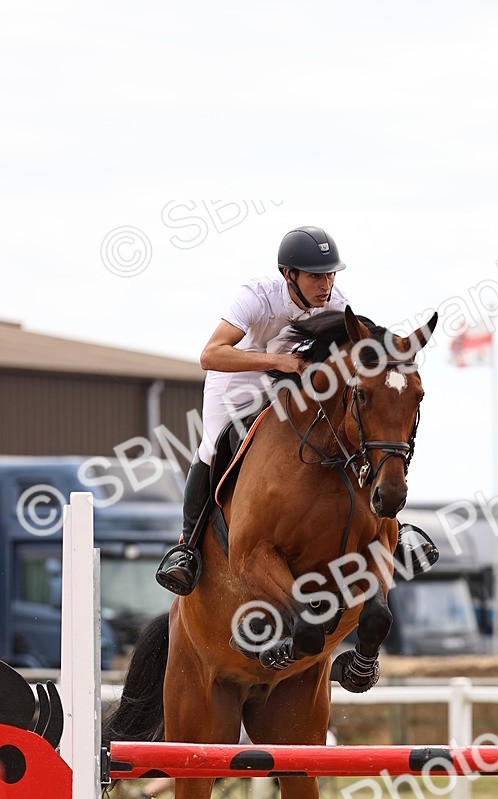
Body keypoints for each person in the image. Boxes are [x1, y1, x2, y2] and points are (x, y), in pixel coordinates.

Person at [156, 227, 438, 597]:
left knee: (351, 430)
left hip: (292, 381)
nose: (326, 284)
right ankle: (187, 548)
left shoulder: (335, 301)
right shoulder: (256, 296)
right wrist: (278, 361)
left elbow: (365, 338)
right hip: (238, 380)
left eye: (330, 274)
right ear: (289, 274)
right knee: (212, 445)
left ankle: (392, 529)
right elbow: (210, 355)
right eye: (316, 276)